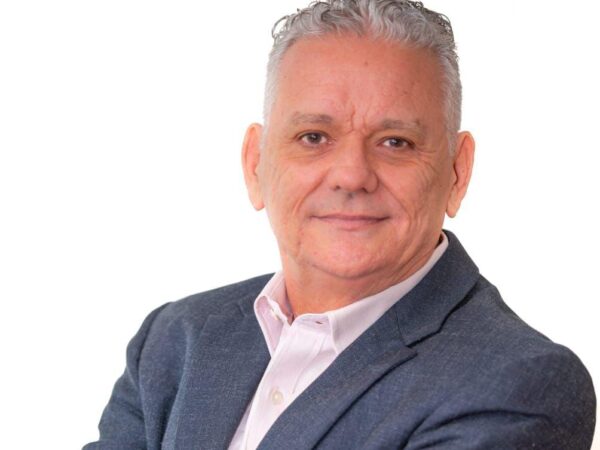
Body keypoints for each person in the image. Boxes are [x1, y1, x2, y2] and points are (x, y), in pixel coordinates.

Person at [84, 1, 596, 448]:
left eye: (395, 142)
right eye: (313, 137)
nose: (352, 175)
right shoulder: (175, 341)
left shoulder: (517, 384)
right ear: (256, 164)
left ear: (457, 173)